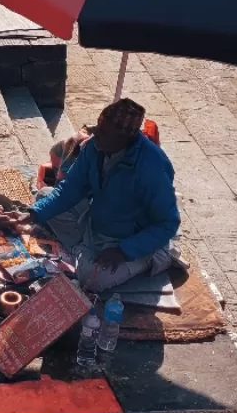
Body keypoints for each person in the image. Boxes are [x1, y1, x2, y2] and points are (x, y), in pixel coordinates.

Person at [29, 98, 181, 293]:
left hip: (130, 238)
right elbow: (70, 189)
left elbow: (167, 224)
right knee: (43, 197)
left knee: (92, 279)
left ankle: (153, 256)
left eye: (104, 132)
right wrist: (32, 214)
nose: (96, 135)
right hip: (96, 222)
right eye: (99, 127)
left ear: (124, 139)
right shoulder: (95, 146)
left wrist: (123, 251)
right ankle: (84, 251)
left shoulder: (152, 167)